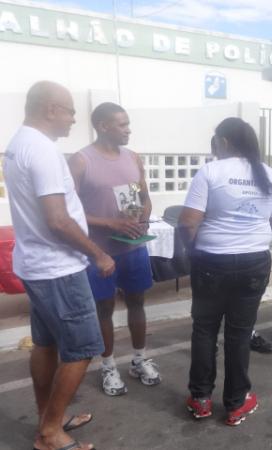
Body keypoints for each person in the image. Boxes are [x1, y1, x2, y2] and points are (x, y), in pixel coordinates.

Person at [4, 81, 115, 450]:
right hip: (58, 269)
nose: (72, 120)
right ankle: (50, 432)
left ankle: (47, 415)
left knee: (46, 345)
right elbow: (58, 219)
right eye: (69, 111)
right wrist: (97, 253)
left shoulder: (19, 144)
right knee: (84, 348)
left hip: (37, 265)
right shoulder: (43, 151)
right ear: (51, 109)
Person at [179, 117, 272, 426]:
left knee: (205, 329)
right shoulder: (269, 175)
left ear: (223, 142)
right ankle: (236, 403)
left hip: (212, 261)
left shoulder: (211, 172)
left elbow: (187, 222)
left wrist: (192, 249)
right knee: (239, 334)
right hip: (254, 260)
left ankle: (200, 400)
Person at [69, 102, 161, 397]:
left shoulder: (133, 158)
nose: (128, 129)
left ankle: (138, 359)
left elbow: (141, 196)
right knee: (104, 309)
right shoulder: (81, 161)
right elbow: (69, 212)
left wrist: (143, 218)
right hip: (98, 251)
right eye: (122, 124)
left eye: (128, 123)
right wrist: (111, 224)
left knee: (137, 303)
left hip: (132, 247)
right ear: (103, 126)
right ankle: (108, 366)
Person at [208, 136, 272, 355]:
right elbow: (193, 218)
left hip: (249, 254)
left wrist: (254, 236)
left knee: (242, 310)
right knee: (217, 309)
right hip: (220, 255)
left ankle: (247, 334)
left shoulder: (263, 173)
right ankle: (213, 341)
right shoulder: (212, 172)